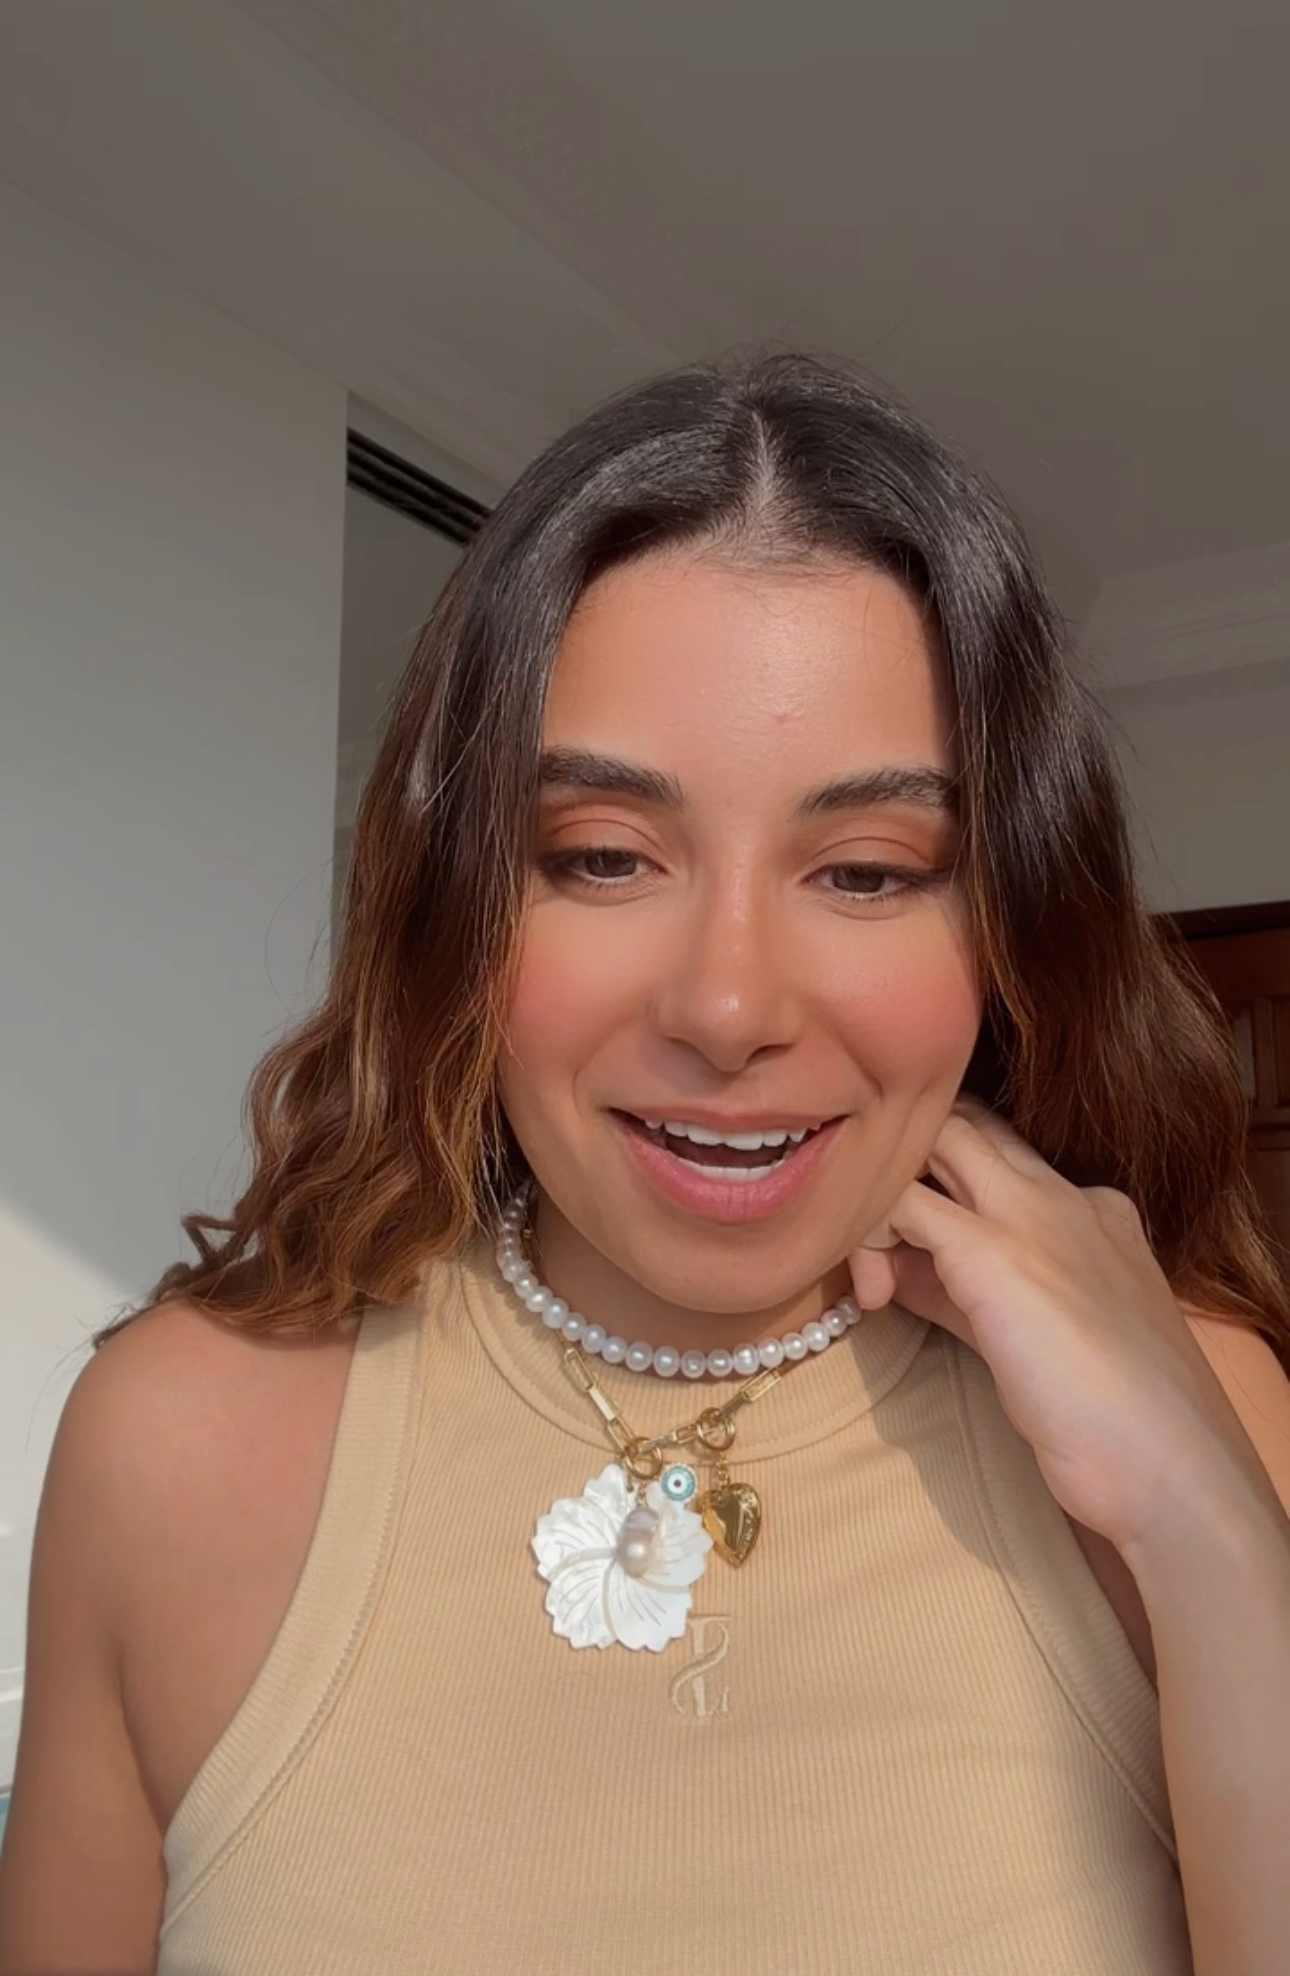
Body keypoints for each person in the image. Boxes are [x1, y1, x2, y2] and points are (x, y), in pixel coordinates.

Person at [3, 353, 1289, 1976]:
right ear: (459, 905)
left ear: (1010, 931)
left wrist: (1206, 1527)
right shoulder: (177, 1447)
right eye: (602, 858)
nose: (727, 1009)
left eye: (866, 872)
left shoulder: (1198, 1410)